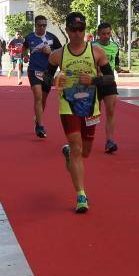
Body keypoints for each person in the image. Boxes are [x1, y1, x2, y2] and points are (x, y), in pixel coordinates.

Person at [43, 12, 114, 213]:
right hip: (68, 105)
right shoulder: (58, 55)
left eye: (81, 29)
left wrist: (93, 80)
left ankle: (68, 154)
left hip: (91, 106)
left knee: (85, 152)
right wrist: (55, 81)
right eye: (73, 30)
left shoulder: (96, 52)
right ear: (67, 30)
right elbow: (46, 79)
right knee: (76, 148)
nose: (77, 33)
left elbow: (110, 78)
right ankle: (81, 195)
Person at [23, 15, 62, 138]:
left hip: (48, 72)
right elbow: (24, 48)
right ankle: (40, 126)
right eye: (40, 25)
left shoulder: (52, 38)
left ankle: (37, 119)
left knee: (43, 100)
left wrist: (50, 52)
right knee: (38, 96)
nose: (42, 27)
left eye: (44, 25)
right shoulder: (29, 37)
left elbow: (61, 53)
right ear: (35, 25)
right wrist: (25, 55)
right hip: (33, 70)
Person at [92, 22, 121, 154]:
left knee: (110, 110)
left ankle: (109, 141)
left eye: (108, 33)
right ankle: (85, 136)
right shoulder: (92, 46)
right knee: (93, 112)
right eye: (103, 34)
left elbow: (116, 60)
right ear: (98, 34)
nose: (106, 36)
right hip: (95, 82)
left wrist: (118, 68)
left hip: (109, 81)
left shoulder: (115, 46)